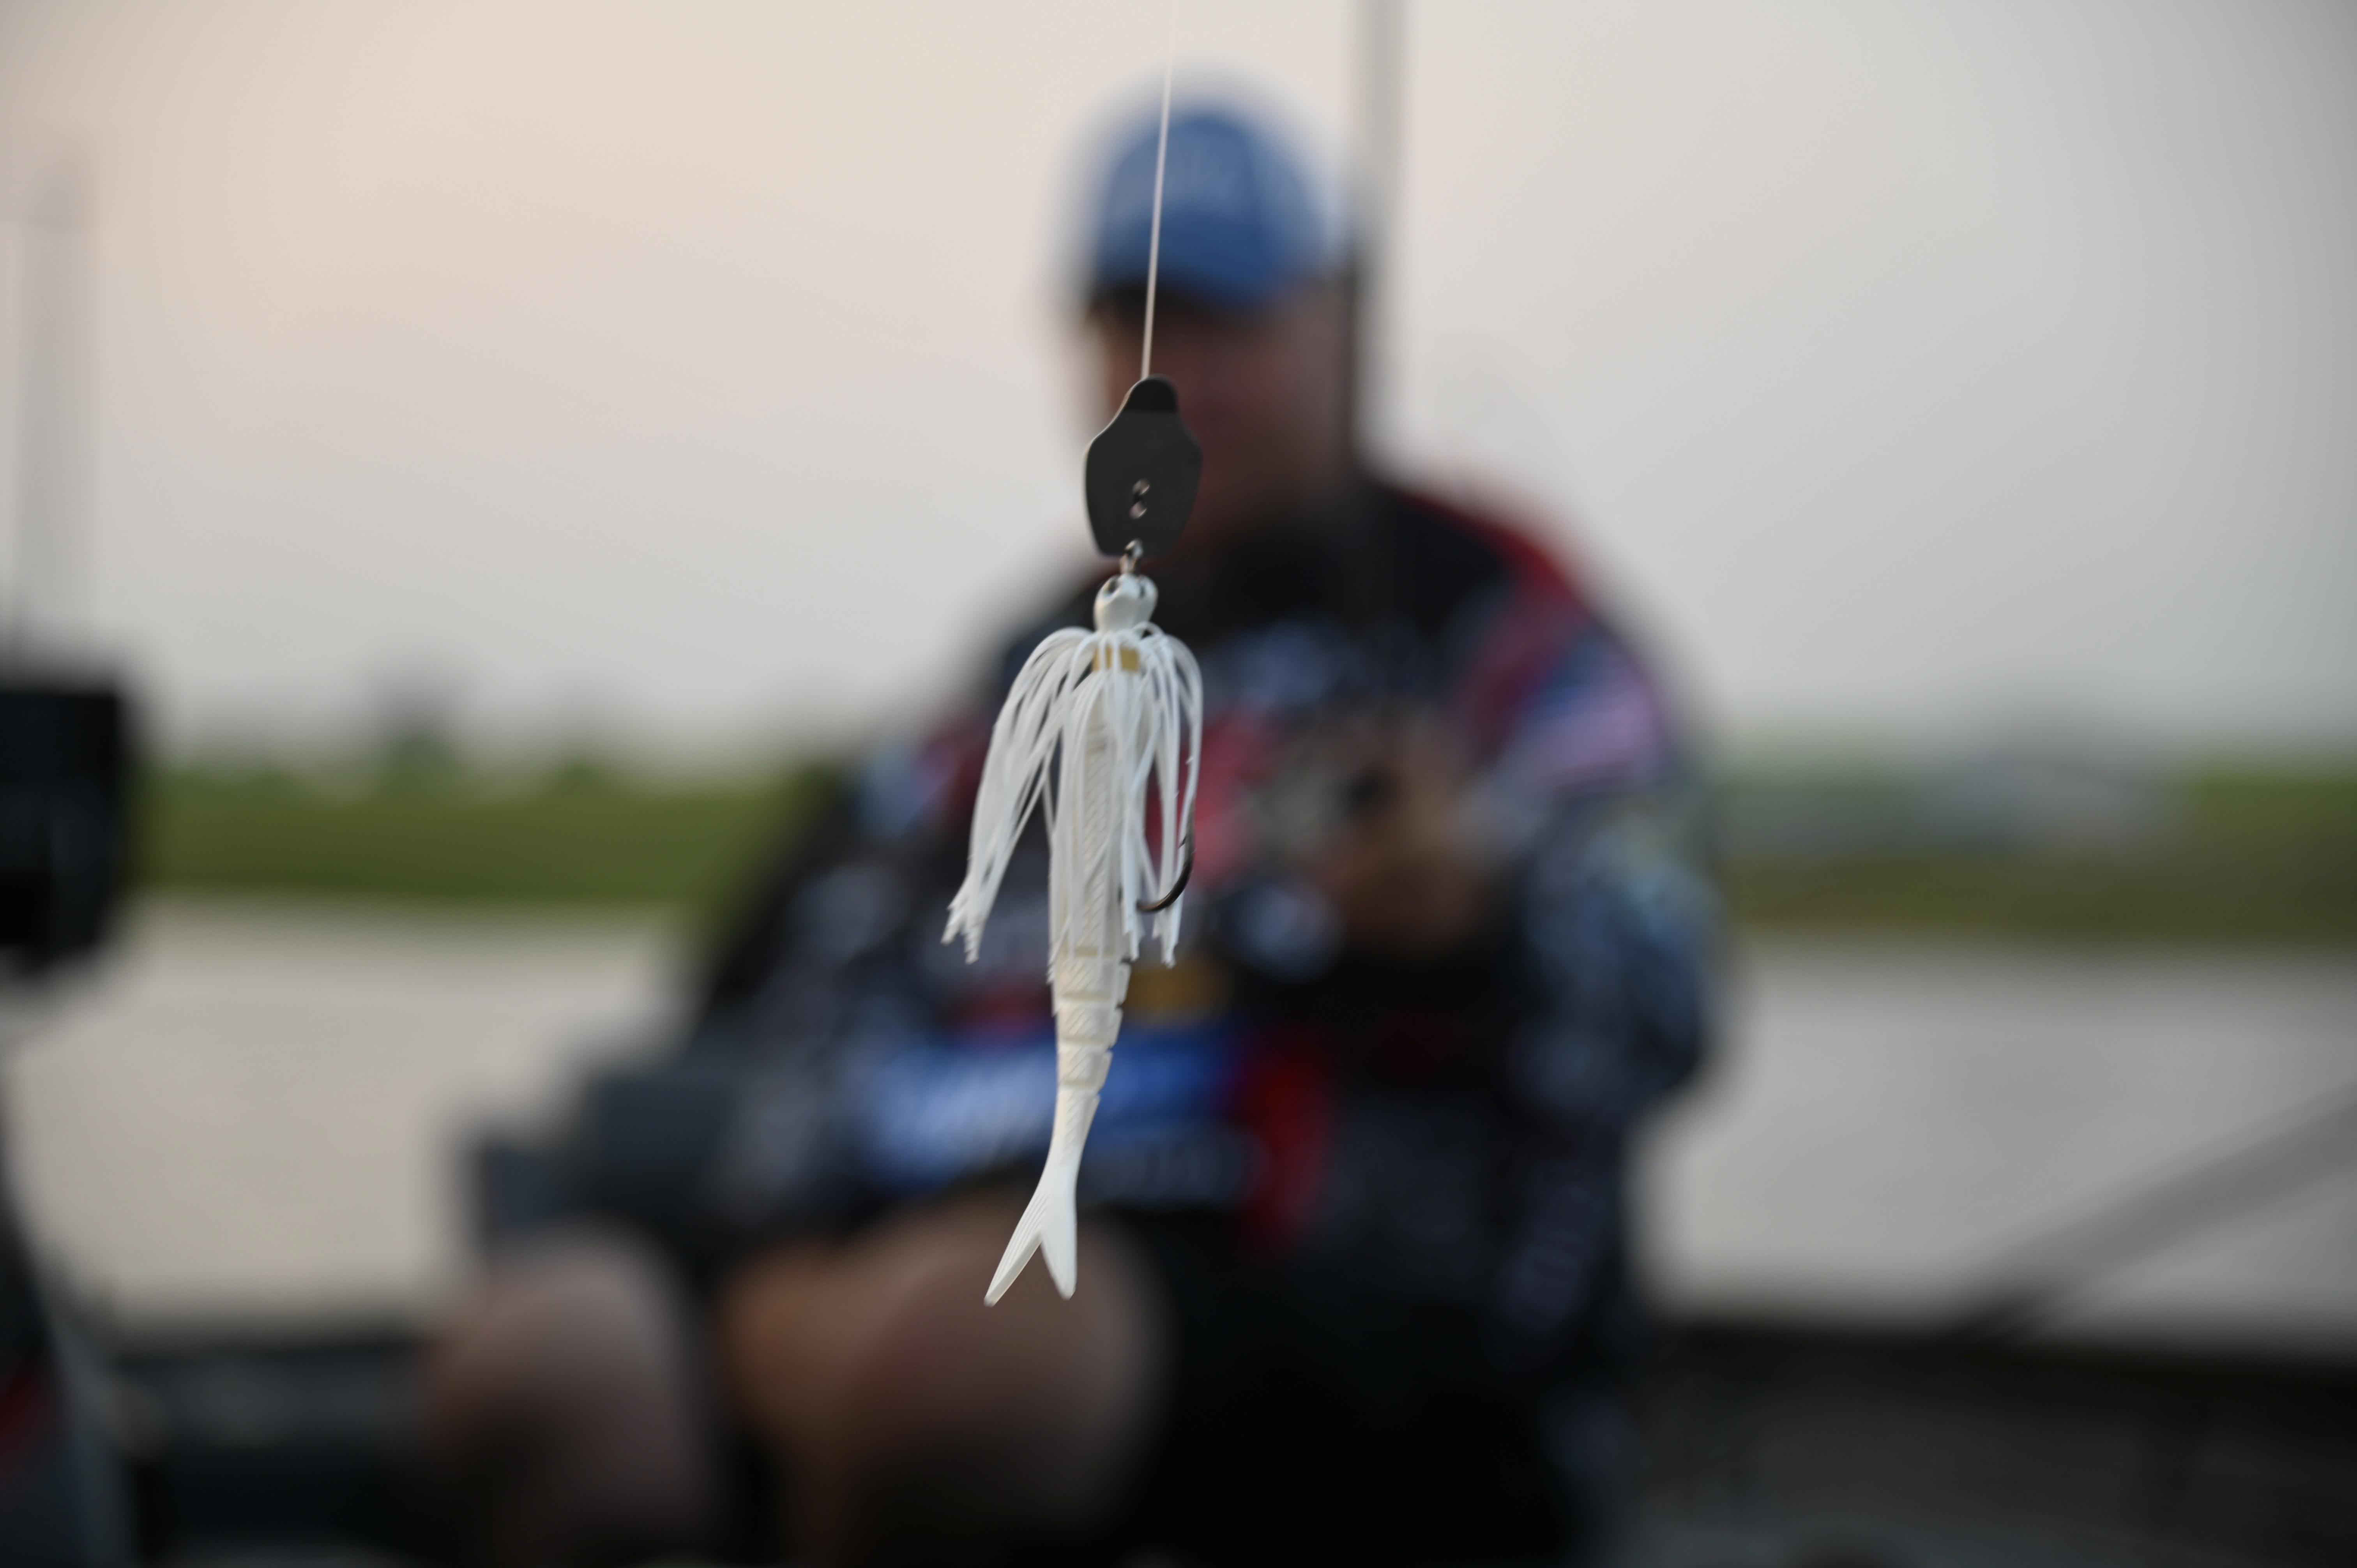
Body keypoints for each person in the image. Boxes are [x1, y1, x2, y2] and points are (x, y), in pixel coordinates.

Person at [423, 100, 1717, 1568]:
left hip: (1345, 1342)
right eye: (1128, 325)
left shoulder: (1517, 643)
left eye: (1229, 321)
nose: (1175, 376)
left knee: (951, 1364)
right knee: (545, 1364)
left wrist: (1483, 915)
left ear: (1344, 321)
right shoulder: (1012, 673)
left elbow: (1671, 1003)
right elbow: (817, 984)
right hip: (916, 1264)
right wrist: (777, 1267)